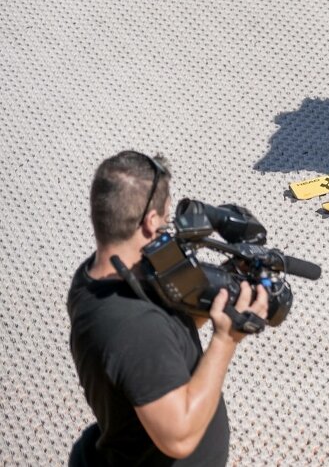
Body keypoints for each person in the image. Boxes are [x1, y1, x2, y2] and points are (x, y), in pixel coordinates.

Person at [67, 151, 269, 466]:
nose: (167, 227)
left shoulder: (101, 274)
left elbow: (171, 331)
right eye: (164, 220)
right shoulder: (134, 328)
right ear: (149, 223)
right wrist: (225, 339)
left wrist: (221, 293)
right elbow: (179, 438)